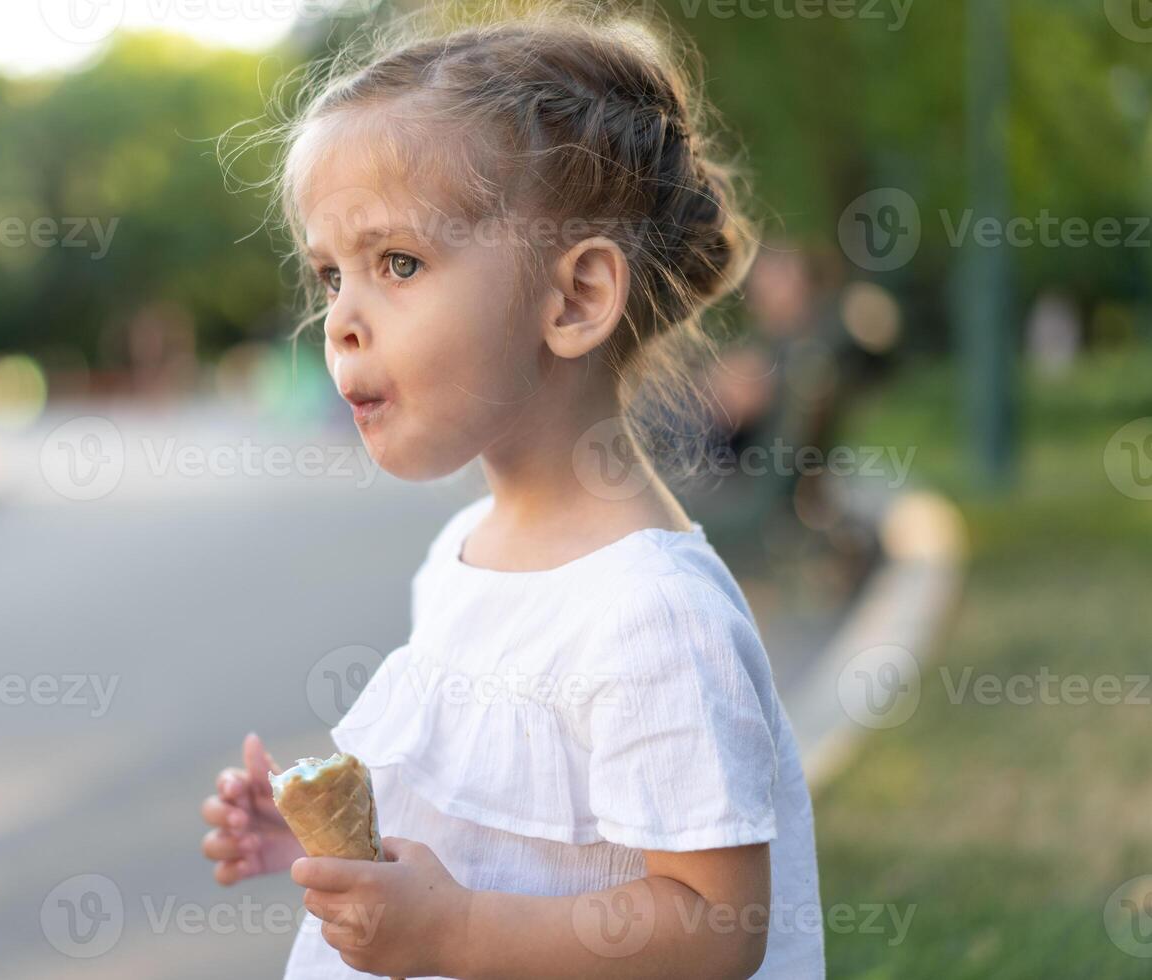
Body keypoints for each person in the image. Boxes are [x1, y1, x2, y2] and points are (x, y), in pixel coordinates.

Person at [201, 4, 823, 976]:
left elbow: (715, 924)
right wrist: (331, 856)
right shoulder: (464, 553)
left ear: (573, 298)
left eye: (396, 262)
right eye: (330, 276)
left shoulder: (649, 613)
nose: (342, 322)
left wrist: (452, 931)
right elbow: (494, 833)